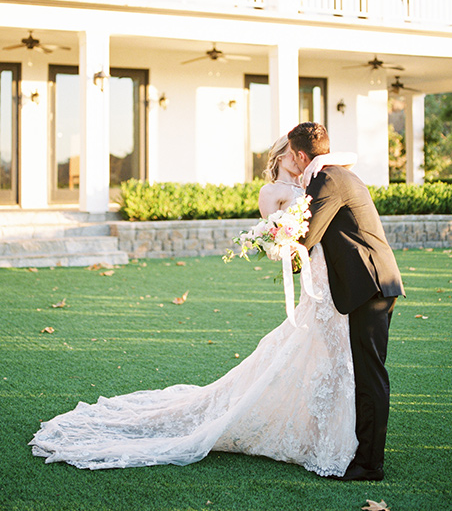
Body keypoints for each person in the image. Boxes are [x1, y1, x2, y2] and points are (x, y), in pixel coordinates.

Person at [29, 135, 358, 477]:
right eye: (289, 153)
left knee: (321, 349)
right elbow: (279, 238)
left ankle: (320, 424)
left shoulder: (317, 178)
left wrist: (319, 169)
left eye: (297, 153)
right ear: (280, 156)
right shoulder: (271, 191)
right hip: (312, 268)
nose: (294, 158)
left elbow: (346, 166)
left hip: (330, 268)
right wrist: (286, 241)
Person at [288, 122, 405, 482]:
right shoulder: (337, 174)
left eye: (292, 156)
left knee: (371, 377)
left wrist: (284, 251)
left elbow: (307, 237)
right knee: (366, 375)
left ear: (300, 155)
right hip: (371, 285)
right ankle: (363, 452)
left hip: (370, 287)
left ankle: (370, 464)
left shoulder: (328, 180)